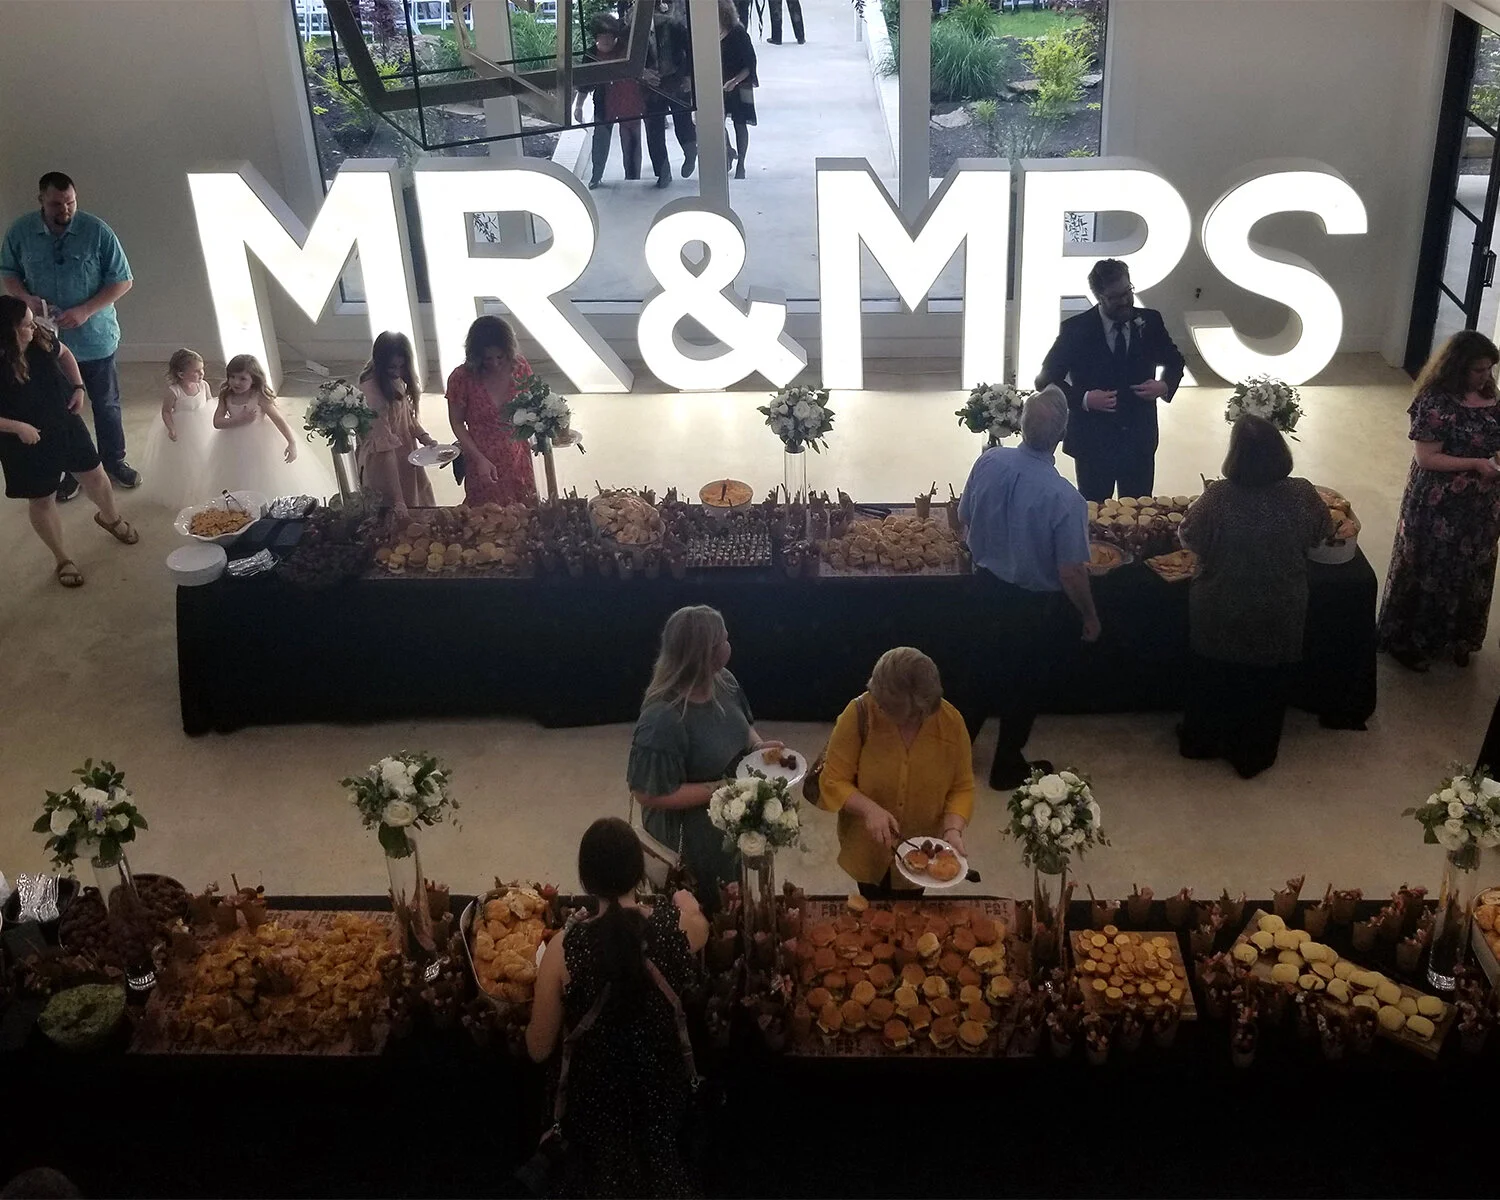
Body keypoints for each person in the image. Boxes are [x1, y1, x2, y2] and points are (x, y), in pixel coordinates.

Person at [527, 817, 707, 1198]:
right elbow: (699, 922)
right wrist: (682, 899)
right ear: (639, 874)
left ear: (585, 880)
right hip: (661, 1093)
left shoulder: (562, 949)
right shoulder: (678, 929)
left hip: (590, 1107)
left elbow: (538, 1047)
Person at [959, 386, 1100, 790]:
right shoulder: (1065, 498)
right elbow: (1071, 571)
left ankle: (954, 757)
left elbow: (963, 516)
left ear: (1020, 425)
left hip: (983, 590)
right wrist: (1090, 616)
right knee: (1024, 684)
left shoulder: (988, 461)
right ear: (1061, 436)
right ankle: (1007, 762)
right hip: (1032, 607)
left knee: (978, 675)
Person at [1176, 416, 1332, 778]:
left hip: (1220, 607)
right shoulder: (1303, 493)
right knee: (1265, 687)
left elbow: (1188, 538)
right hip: (1280, 609)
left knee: (1213, 679)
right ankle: (1253, 755)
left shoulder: (1218, 496)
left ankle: (1201, 741)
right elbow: (1322, 539)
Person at [1, 171, 138, 497]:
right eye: (56, 204)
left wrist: (86, 310)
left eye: (70, 202)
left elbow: (123, 279)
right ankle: (72, 469)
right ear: (41, 201)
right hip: (42, 341)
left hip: (94, 339)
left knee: (105, 404)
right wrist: (24, 298)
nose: (64, 209)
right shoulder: (20, 232)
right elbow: (8, 272)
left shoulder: (97, 231)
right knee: (57, 407)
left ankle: (114, 460)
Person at [628, 605, 782, 895]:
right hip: (691, 841)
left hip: (728, 821)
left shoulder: (724, 680)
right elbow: (647, 792)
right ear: (703, 654)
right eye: (722, 641)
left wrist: (758, 747)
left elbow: (741, 726)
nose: (729, 645)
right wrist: (720, 788)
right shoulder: (663, 717)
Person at [1377, 331, 1500, 671]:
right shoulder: (1435, 401)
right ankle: (1410, 642)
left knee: (1472, 570)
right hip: (1439, 504)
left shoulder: (1491, 395)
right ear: (1458, 368)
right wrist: (1475, 464)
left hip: (1482, 506)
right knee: (1429, 567)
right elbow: (1427, 458)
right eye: (1478, 370)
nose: (1486, 377)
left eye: (1489, 369)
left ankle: (1459, 638)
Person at [0, 295, 138, 587]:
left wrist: (77, 387)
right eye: (26, 325)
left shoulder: (41, 338)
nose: (34, 328)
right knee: (42, 499)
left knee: (96, 476)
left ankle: (110, 518)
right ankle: (62, 557)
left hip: (64, 423)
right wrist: (16, 427)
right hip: (23, 442)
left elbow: (65, 354)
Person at [817, 648, 975, 899]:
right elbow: (833, 779)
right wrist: (869, 809)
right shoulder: (859, 714)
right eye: (901, 717)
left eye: (917, 716)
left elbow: (962, 786)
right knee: (872, 909)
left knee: (911, 908)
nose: (911, 723)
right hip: (867, 847)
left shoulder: (951, 722)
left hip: (923, 845)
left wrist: (952, 830)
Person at [1036, 258, 1186, 503]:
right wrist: (1084, 398)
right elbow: (1045, 380)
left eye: (1128, 291)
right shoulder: (1076, 330)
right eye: (1116, 297)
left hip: (1139, 438)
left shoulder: (1150, 321)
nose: (1126, 301)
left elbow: (1175, 361)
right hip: (1094, 442)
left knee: (1140, 512)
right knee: (1094, 513)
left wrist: (1164, 385)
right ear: (1099, 297)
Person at [204, 353, 333, 500]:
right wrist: (240, 420)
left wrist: (291, 442)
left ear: (254, 380)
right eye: (232, 377)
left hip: (260, 443)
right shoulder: (226, 395)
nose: (236, 382)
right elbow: (217, 422)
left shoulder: (258, 396)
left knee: (261, 474)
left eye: (242, 378)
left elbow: (278, 420)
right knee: (236, 474)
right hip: (232, 443)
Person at [445, 316, 538, 507]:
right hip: (483, 461)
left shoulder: (519, 368)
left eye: (500, 357)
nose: (495, 363)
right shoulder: (461, 378)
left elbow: (532, 403)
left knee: (524, 517)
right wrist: (479, 459)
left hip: (518, 458)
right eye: (487, 359)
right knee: (487, 521)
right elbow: (456, 422)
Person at [356, 331, 436, 518]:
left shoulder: (395, 379)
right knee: (394, 516)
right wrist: (398, 499)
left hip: (405, 456)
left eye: (402, 367)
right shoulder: (372, 393)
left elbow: (405, 417)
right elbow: (385, 450)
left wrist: (424, 437)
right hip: (385, 465)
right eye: (393, 367)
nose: (397, 372)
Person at [136, 348, 214, 512]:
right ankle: (188, 488)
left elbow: (209, 402)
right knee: (185, 460)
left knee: (205, 453)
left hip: (202, 423)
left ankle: (205, 483)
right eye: (196, 371)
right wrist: (171, 428)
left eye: (202, 369)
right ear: (181, 374)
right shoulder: (174, 391)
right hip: (183, 428)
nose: (202, 374)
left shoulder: (203, 385)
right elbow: (166, 411)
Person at [574, 14, 646, 189]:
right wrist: (579, 105)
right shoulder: (591, 55)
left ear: (615, 37)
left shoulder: (625, 50)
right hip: (604, 102)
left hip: (629, 99)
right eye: (601, 37)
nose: (605, 41)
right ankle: (596, 176)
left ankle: (632, 177)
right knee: (600, 139)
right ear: (596, 38)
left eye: (609, 37)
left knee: (631, 140)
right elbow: (585, 83)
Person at [645, 0, 699, 188]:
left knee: (682, 121)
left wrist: (689, 77)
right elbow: (625, 56)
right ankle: (662, 171)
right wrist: (642, 73)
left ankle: (690, 151)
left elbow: (691, 50)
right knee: (654, 129)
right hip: (651, 87)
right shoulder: (632, 32)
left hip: (675, 79)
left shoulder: (673, 26)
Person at [719, 0, 758, 180]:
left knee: (740, 123)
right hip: (718, 83)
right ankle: (727, 150)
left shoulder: (738, 33)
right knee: (716, 122)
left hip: (741, 83)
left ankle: (741, 163)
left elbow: (750, 64)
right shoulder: (709, 34)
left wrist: (734, 81)